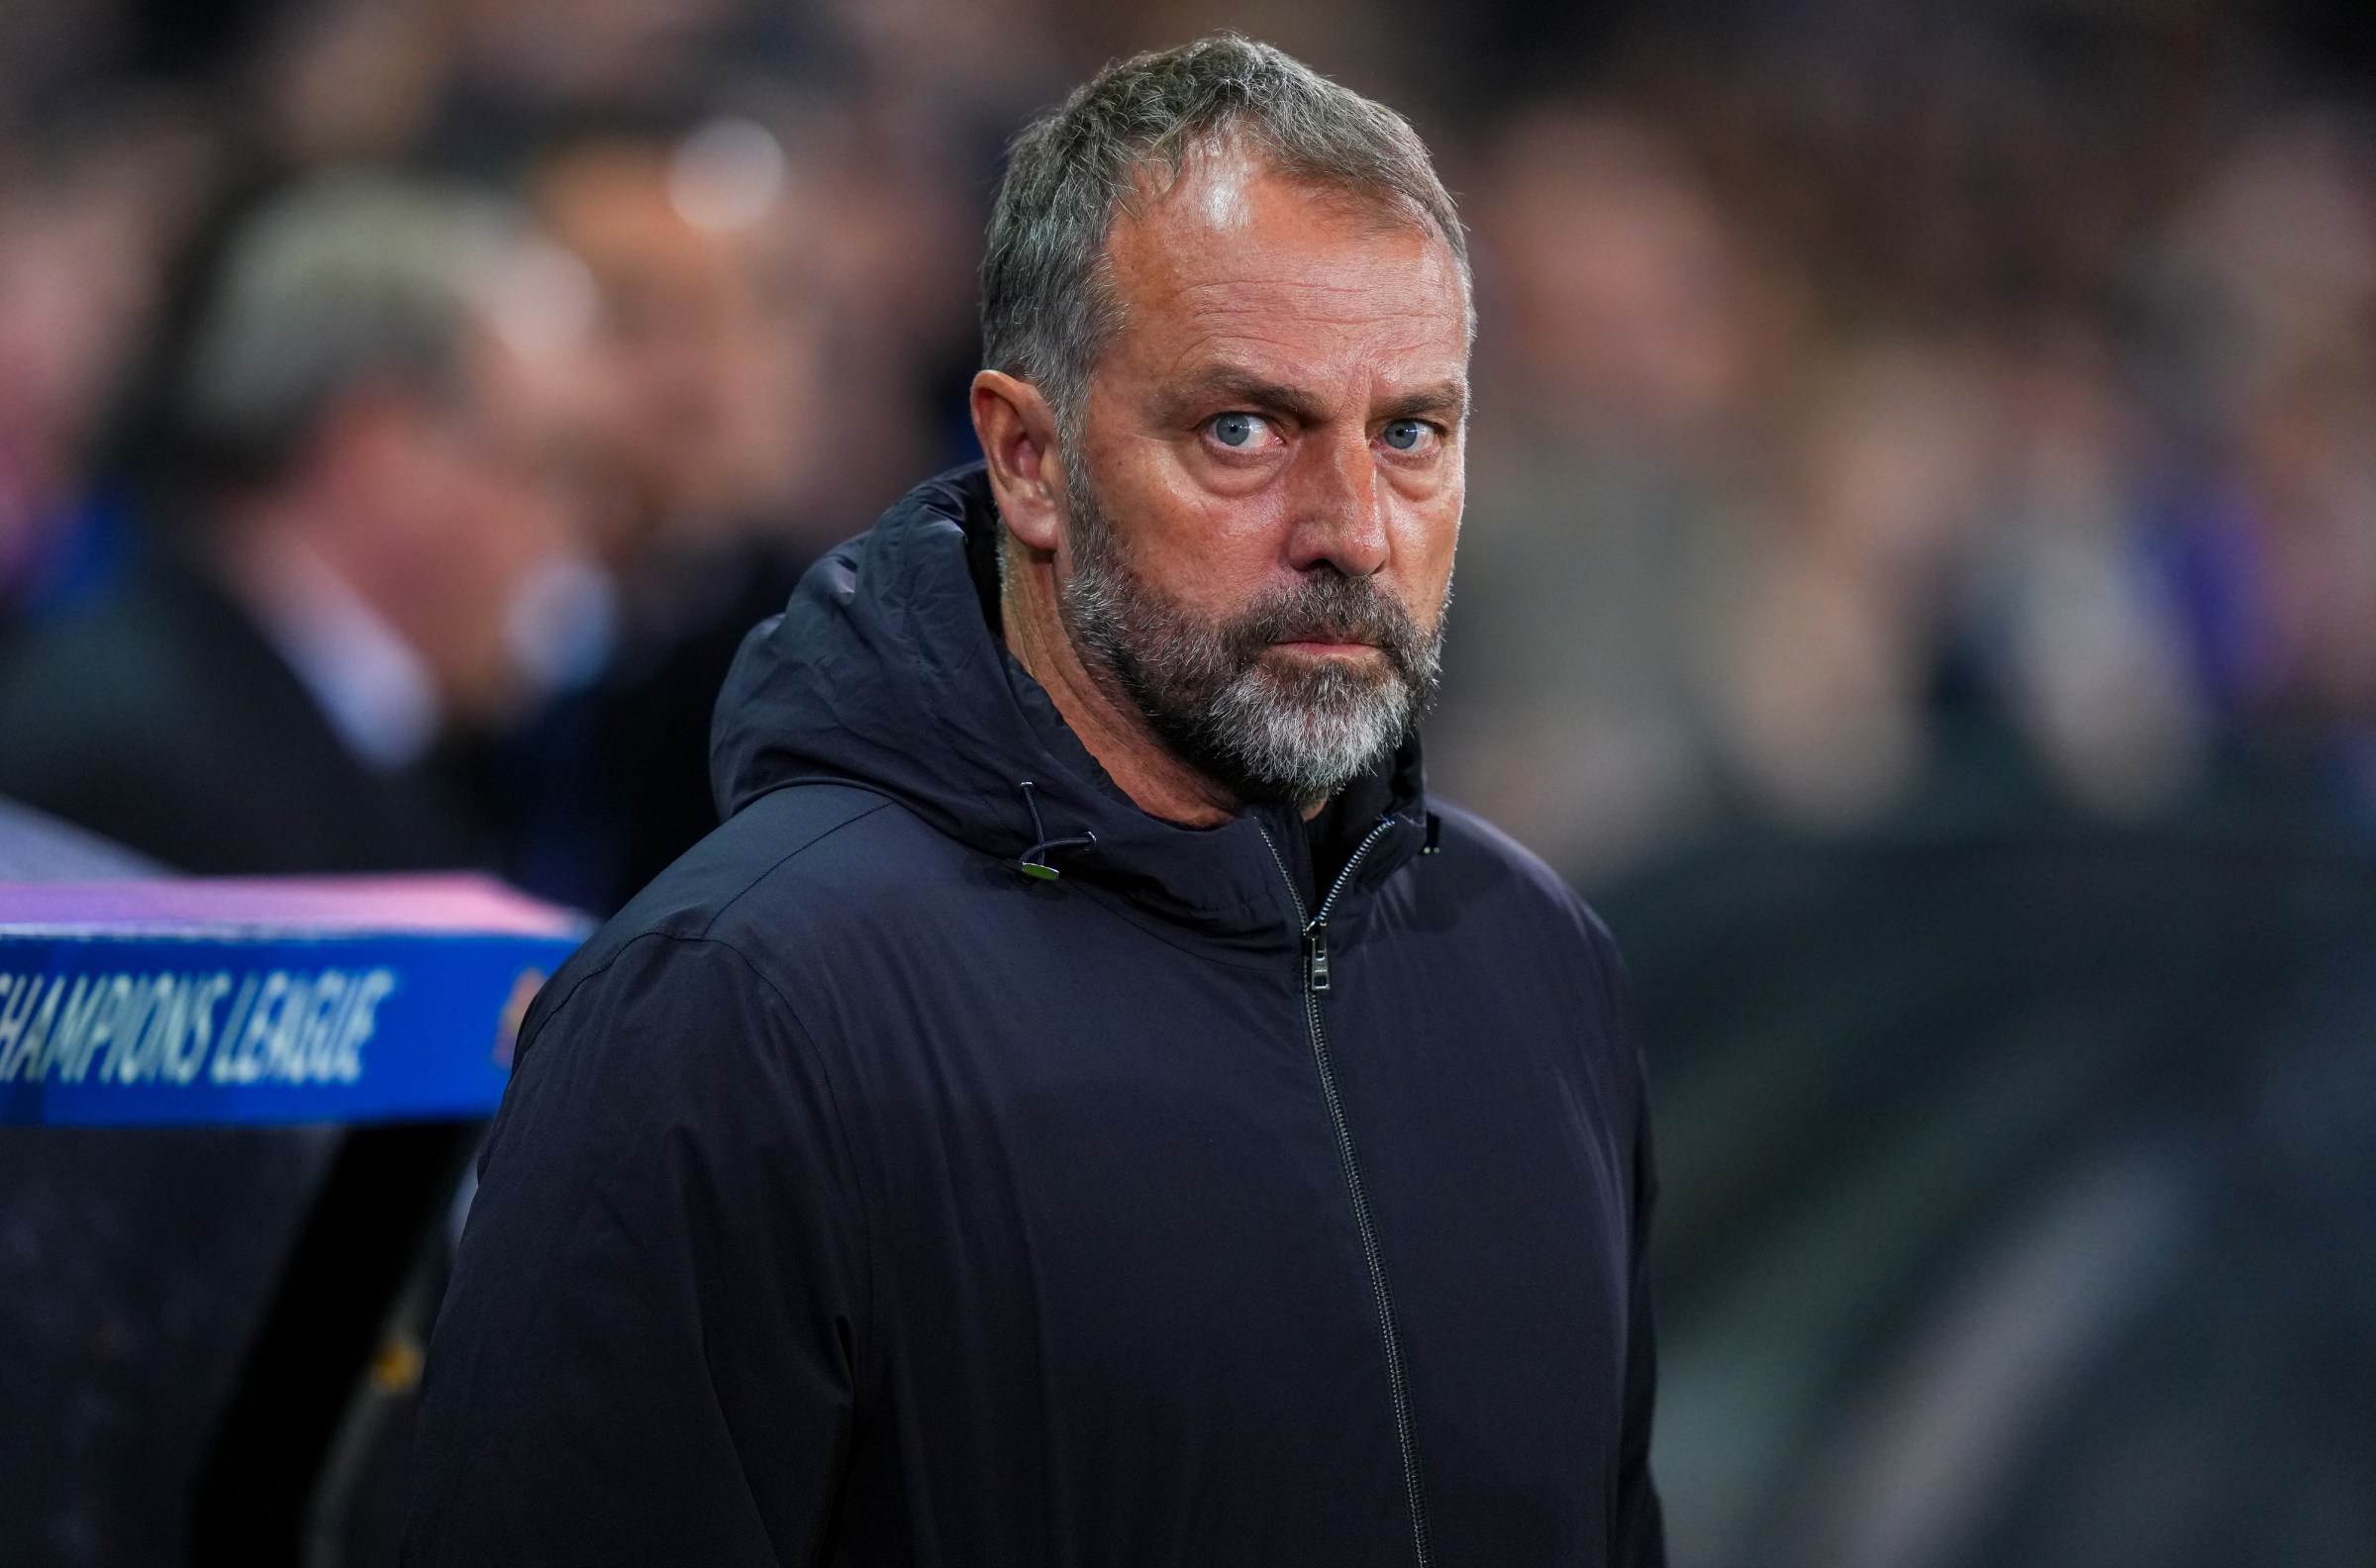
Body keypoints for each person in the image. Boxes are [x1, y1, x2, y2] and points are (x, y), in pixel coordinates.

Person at [407, 35, 1665, 1568]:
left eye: (1410, 433)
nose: (1352, 529)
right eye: (1243, 430)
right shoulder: (732, 1009)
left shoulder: (1542, 967)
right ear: (1026, 458)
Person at [0, 170, 613, 875]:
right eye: (546, 470)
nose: (568, 538)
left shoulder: (332, 737)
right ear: (381, 449)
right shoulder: (132, 763)